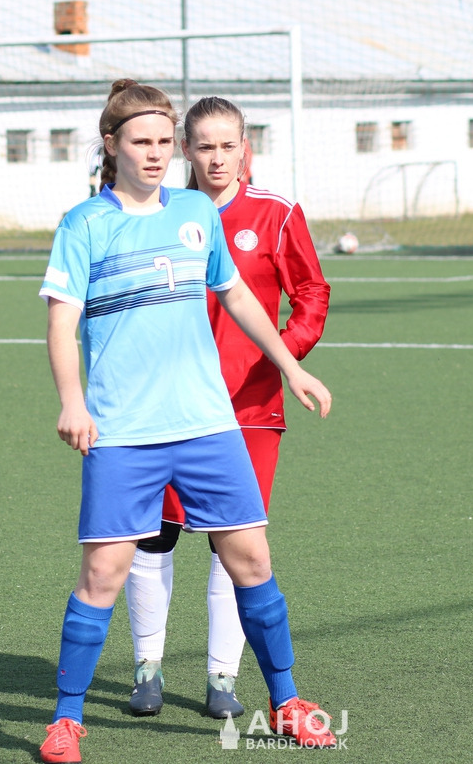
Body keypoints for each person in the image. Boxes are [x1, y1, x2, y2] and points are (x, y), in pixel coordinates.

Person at [37, 79, 337, 763]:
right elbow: (61, 323)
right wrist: (72, 400)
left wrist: (290, 367)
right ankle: (67, 719)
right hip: (124, 432)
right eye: (141, 141)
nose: (155, 153)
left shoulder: (196, 211)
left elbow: (237, 295)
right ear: (111, 144)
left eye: (164, 142)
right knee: (104, 572)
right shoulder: (85, 223)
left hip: (208, 425)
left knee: (252, 559)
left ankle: (286, 702)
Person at [123, 97, 330, 720]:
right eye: (205, 147)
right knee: (155, 534)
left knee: (232, 543)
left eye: (228, 146)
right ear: (186, 150)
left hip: (251, 407)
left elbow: (311, 292)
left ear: (246, 149)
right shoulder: (161, 211)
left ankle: (222, 678)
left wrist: (281, 356)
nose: (217, 159)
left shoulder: (276, 213)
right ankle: (147, 670)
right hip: (168, 406)